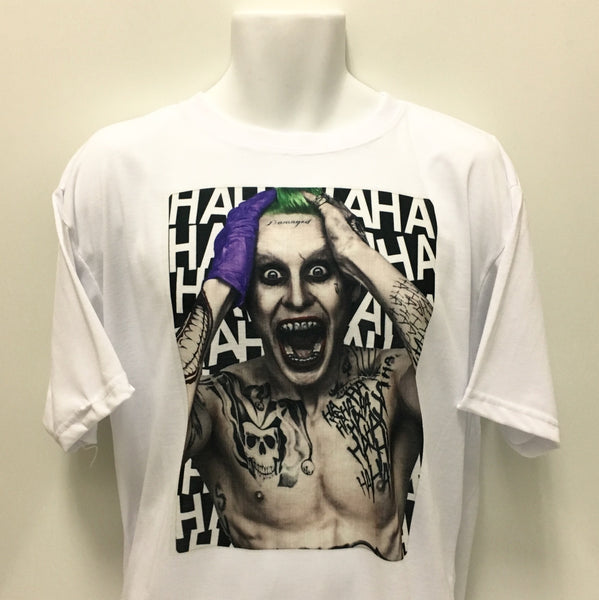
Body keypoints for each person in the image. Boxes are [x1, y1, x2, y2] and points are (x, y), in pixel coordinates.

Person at [176, 188, 432, 561]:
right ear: (248, 301)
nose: (297, 298)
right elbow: (151, 451)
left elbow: (457, 384)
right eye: (271, 275)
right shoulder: (221, 404)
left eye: (318, 271)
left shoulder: (390, 382)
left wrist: (358, 253)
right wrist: (220, 287)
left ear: (352, 290)